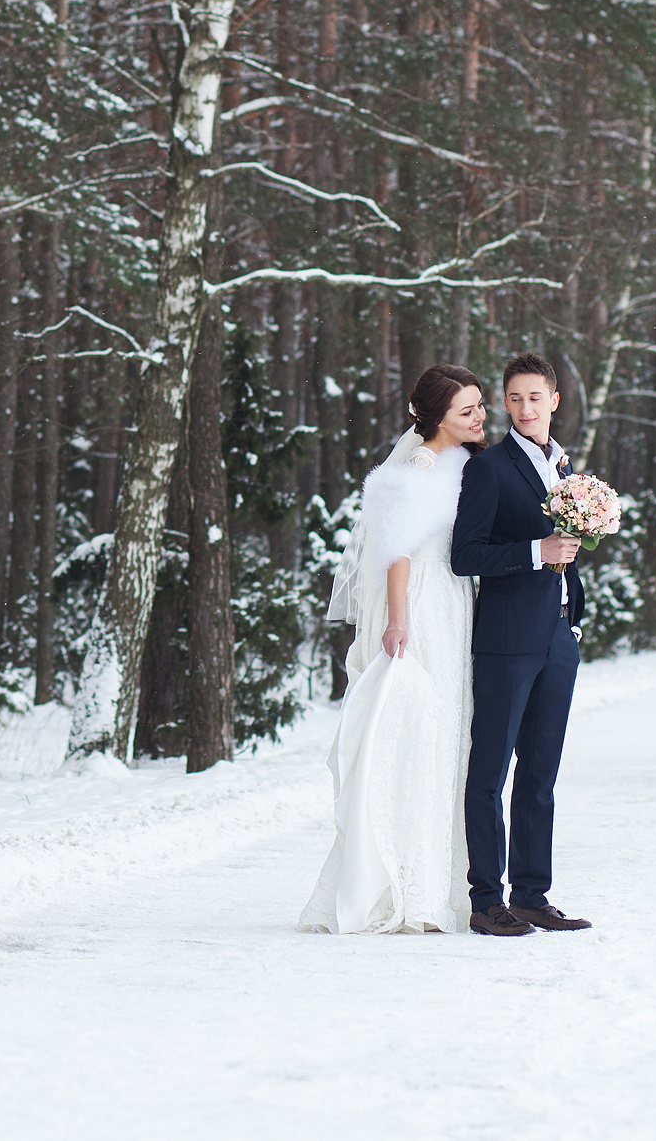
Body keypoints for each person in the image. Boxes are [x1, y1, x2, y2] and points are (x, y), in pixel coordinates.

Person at [297, 364, 487, 934]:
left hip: (454, 602)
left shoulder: (460, 460)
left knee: (448, 734)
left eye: (480, 405)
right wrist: (399, 621)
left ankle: (433, 885)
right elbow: (397, 553)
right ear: (435, 417)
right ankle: (399, 888)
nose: (480, 417)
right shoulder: (417, 466)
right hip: (424, 604)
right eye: (467, 411)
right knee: (418, 734)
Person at [450, 352, 594, 936]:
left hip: (558, 638)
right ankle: (487, 900)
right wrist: (537, 552)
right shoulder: (488, 468)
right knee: (490, 774)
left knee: (540, 774)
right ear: (503, 403)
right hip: (507, 642)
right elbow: (466, 556)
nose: (525, 408)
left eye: (535, 398)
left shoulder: (565, 469)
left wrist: (572, 617)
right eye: (514, 398)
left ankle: (532, 895)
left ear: (555, 401)